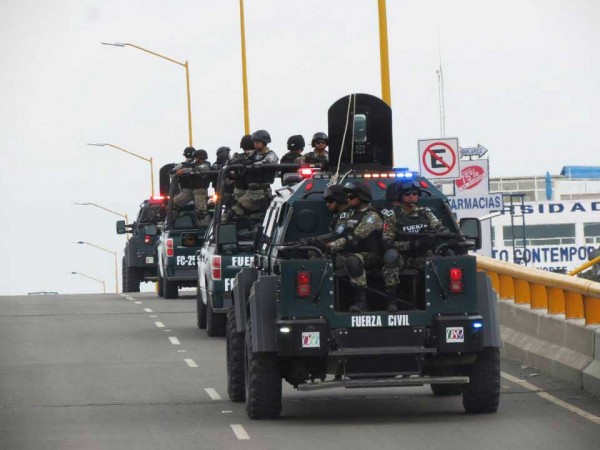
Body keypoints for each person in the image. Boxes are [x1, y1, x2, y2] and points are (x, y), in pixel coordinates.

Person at [381, 180, 447, 311]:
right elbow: (387, 242)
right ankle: (392, 300)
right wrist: (410, 245)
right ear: (400, 196)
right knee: (390, 258)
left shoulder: (425, 213)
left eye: (415, 194)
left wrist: (442, 232)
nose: (412, 197)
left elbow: (439, 227)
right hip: (403, 257)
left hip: (423, 256)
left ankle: (437, 302)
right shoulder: (392, 216)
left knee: (438, 262)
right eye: (408, 194)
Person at [326, 181, 383, 312]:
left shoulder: (372, 216)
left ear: (362, 197)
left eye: (351, 197)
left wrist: (332, 245)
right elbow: (339, 233)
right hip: (348, 251)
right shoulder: (349, 214)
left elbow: (356, 236)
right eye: (347, 197)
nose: (348, 200)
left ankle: (361, 302)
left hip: (368, 255)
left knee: (353, 261)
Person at [227, 129, 278, 223]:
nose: (255, 144)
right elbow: (238, 160)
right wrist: (240, 162)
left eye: (258, 142)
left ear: (264, 142)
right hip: (251, 191)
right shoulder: (252, 154)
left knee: (260, 218)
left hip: (261, 192)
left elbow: (268, 161)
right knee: (233, 213)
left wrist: (253, 164)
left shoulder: (270, 154)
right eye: (254, 142)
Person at [172, 148, 212, 226]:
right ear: (196, 158)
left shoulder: (206, 165)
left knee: (201, 212)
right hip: (189, 190)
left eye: (203, 159)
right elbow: (173, 172)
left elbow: (199, 169)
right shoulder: (189, 164)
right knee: (173, 204)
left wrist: (183, 171)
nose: (202, 160)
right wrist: (178, 172)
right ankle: (171, 222)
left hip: (200, 190)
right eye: (200, 159)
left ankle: (203, 228)